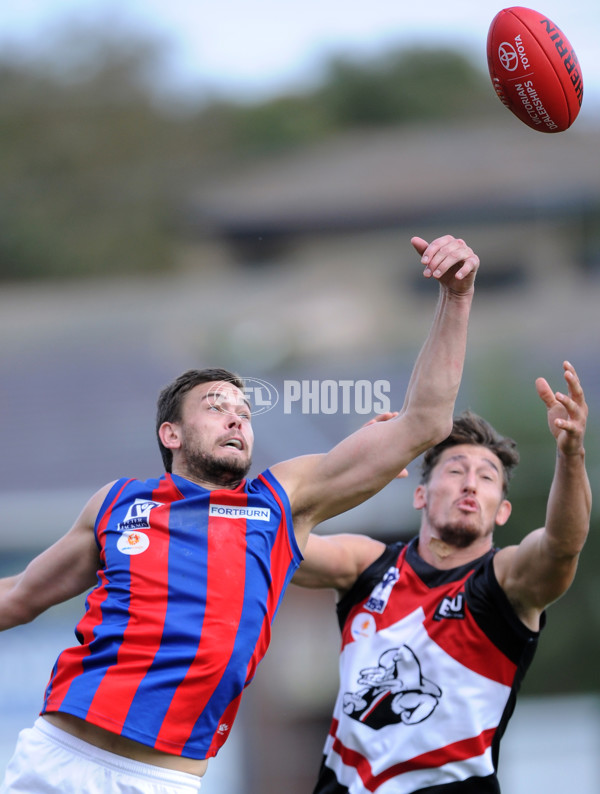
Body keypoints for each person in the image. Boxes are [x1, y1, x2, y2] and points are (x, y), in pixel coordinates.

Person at [0, 235, 479, 794]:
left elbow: (424, 423)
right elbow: (18, 598)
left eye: (243, 411)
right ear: (170, 434)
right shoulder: (118, 502)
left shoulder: (279, 502)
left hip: (160, 780)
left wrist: (458, 295)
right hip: (55, 755)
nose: (236, 418)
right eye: (216, 407)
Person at [293, 360, 591, 794]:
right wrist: (344, 472)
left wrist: (571, 454)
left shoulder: (503, 582)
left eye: (487, 477)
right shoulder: (368, 565)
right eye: (455, 471)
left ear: (502, 510)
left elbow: (562, 545)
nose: (470, 484)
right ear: (421, 494)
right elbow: (275, 543)